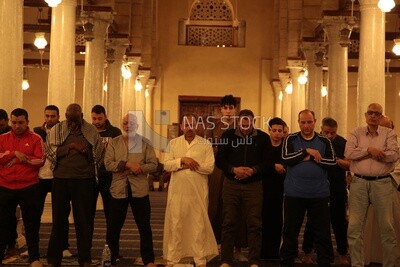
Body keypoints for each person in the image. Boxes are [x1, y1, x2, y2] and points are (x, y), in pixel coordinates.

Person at [46, 103, 104, 267]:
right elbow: (50, 151)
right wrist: (71, 147)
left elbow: (97, 154)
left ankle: (85, 258)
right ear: (65, 116)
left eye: (75, 119)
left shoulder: (91, 131)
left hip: (84, 181)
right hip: (61, 180)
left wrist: (84, 151)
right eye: (69, 118)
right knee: (58, 220)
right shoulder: (56, 130)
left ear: (82, 115)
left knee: (84, 221)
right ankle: (53, 258)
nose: (71, 122)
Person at [216, 109, 273, 267]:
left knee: (255, 224)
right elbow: (219, 159)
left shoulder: (263, 138)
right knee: (228, 222)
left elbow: (268, 163)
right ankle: (226, 260)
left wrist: (252, 171)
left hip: (253, 185)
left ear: (253, 122)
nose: (246, 127)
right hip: (231, 184)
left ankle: (254, 260)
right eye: (243, 124)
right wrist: (234, 170)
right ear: (238, 122)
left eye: (248, 124)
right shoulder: (228, 136)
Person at [345, 103, 399, 267]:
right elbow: (348, 153)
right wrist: (369, 150)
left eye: (377, 113)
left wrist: (362, 152)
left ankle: (389, 264)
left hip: (381, 182)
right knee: (354, 228)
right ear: (365, 115)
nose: (373, 116)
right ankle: (357, 264)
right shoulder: (355, 133)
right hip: (359, 182)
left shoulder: (389, 133)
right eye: (370, 113)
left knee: (387, 228)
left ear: (381, 116)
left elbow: (393, 155)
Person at [280, 109, 336, 267]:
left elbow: (332, 162)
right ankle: (286, 262)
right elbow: (285, 158)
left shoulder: (324, 141)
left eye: (309, 122)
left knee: (322, 233)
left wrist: (308, 158)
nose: (306, 125)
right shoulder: (290, 138)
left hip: (319, 194)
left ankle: (324, 261)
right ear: (298, 122)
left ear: (315, 121)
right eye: (303, 122)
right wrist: (307, 151)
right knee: (290, 231)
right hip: (293, 193)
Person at [163, 114, 218, 267]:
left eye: (192, 124)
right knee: (176, 224)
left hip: (198, 193)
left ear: (197, 125)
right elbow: (167, 165)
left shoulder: (205, 144)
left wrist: (191, 164)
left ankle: (199, 259)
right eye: (186, 124)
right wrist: (182, 160)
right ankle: (173, 259)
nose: (189, 128)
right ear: (181, 126)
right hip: (177, 192)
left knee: (198, 225)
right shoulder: (173, 143)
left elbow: (210, 167)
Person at [104, 113, 157, 267]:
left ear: (137, 126)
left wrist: (138, 168)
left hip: (139, 190)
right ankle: (111, 259)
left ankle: (149, 260)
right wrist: (127, 164)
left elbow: (153, 165)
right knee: (113, 226)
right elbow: (108, 164)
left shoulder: (145, 143)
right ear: (122, 125)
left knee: (144, 226)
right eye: (125, 123)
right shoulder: (114, 143)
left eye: (132, 123)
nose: (128, 126)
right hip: (118, 190)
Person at [0, 108, 45, 267]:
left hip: (29, 187)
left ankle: (34, 258)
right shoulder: (2, 138)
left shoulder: (36, 138)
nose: (17, 126)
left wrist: (21, 160)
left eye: (21, 122)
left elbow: (40, 160)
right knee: (2, 224)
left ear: (27, 122)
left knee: (31, 224)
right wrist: (14, 153)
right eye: (14, 122)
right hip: (5, 186)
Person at [301, 117, 350, 265]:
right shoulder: (314, 141)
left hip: (337, 188)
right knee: (312, 222)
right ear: (321, 129)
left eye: (332, 133)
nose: (329, 136)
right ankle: (307, 253)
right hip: (316, 187)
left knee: (339, 222)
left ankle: (342, 254)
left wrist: (339, 162)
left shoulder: (342, 142)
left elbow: (349, 163)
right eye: (326, 132)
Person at [205, 95, 247, 261]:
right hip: (217, 171)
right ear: (220, 109)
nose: (229, 111)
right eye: (226, 108)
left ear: (235, 109)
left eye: (231, 108)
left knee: (237, 208)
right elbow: (208, 149)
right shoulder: (213, 127)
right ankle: (215, 245)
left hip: (236, 172)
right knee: (215, 207)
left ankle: (237, 248)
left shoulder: (241, 126)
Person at [91, 105, 121, 230]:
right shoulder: (88, 132)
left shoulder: (115, 132)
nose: (97, 122)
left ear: (105, 117)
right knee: (88, 211)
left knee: (111, 211)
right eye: (94, 118)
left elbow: (120, 153)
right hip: (91, 176)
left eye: (100, 118)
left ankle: (111, 243)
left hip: (109, 176)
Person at [261, 117, 286, 260]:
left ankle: (276, 251)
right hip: (264, 187)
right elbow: (260, 165)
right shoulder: (264, 147)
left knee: (278, 221)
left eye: (279, 131)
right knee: (263, 219)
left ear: (283, 132)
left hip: (281, 189)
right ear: (269, 131)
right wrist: (273, 167)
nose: (277, 133)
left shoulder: (286, 148)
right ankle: (263, 252)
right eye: (274, 130)